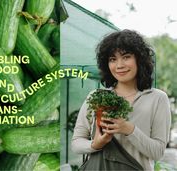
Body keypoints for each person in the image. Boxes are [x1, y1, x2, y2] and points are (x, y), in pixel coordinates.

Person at [71, 29, 171, 170]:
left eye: (126, 57)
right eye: (113, 59)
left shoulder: (157, 98)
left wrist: (129, 129)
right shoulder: (97, 97)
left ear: (140, 59)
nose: (119, 65)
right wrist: (95, 144)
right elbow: (76, 143)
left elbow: (158, 152)